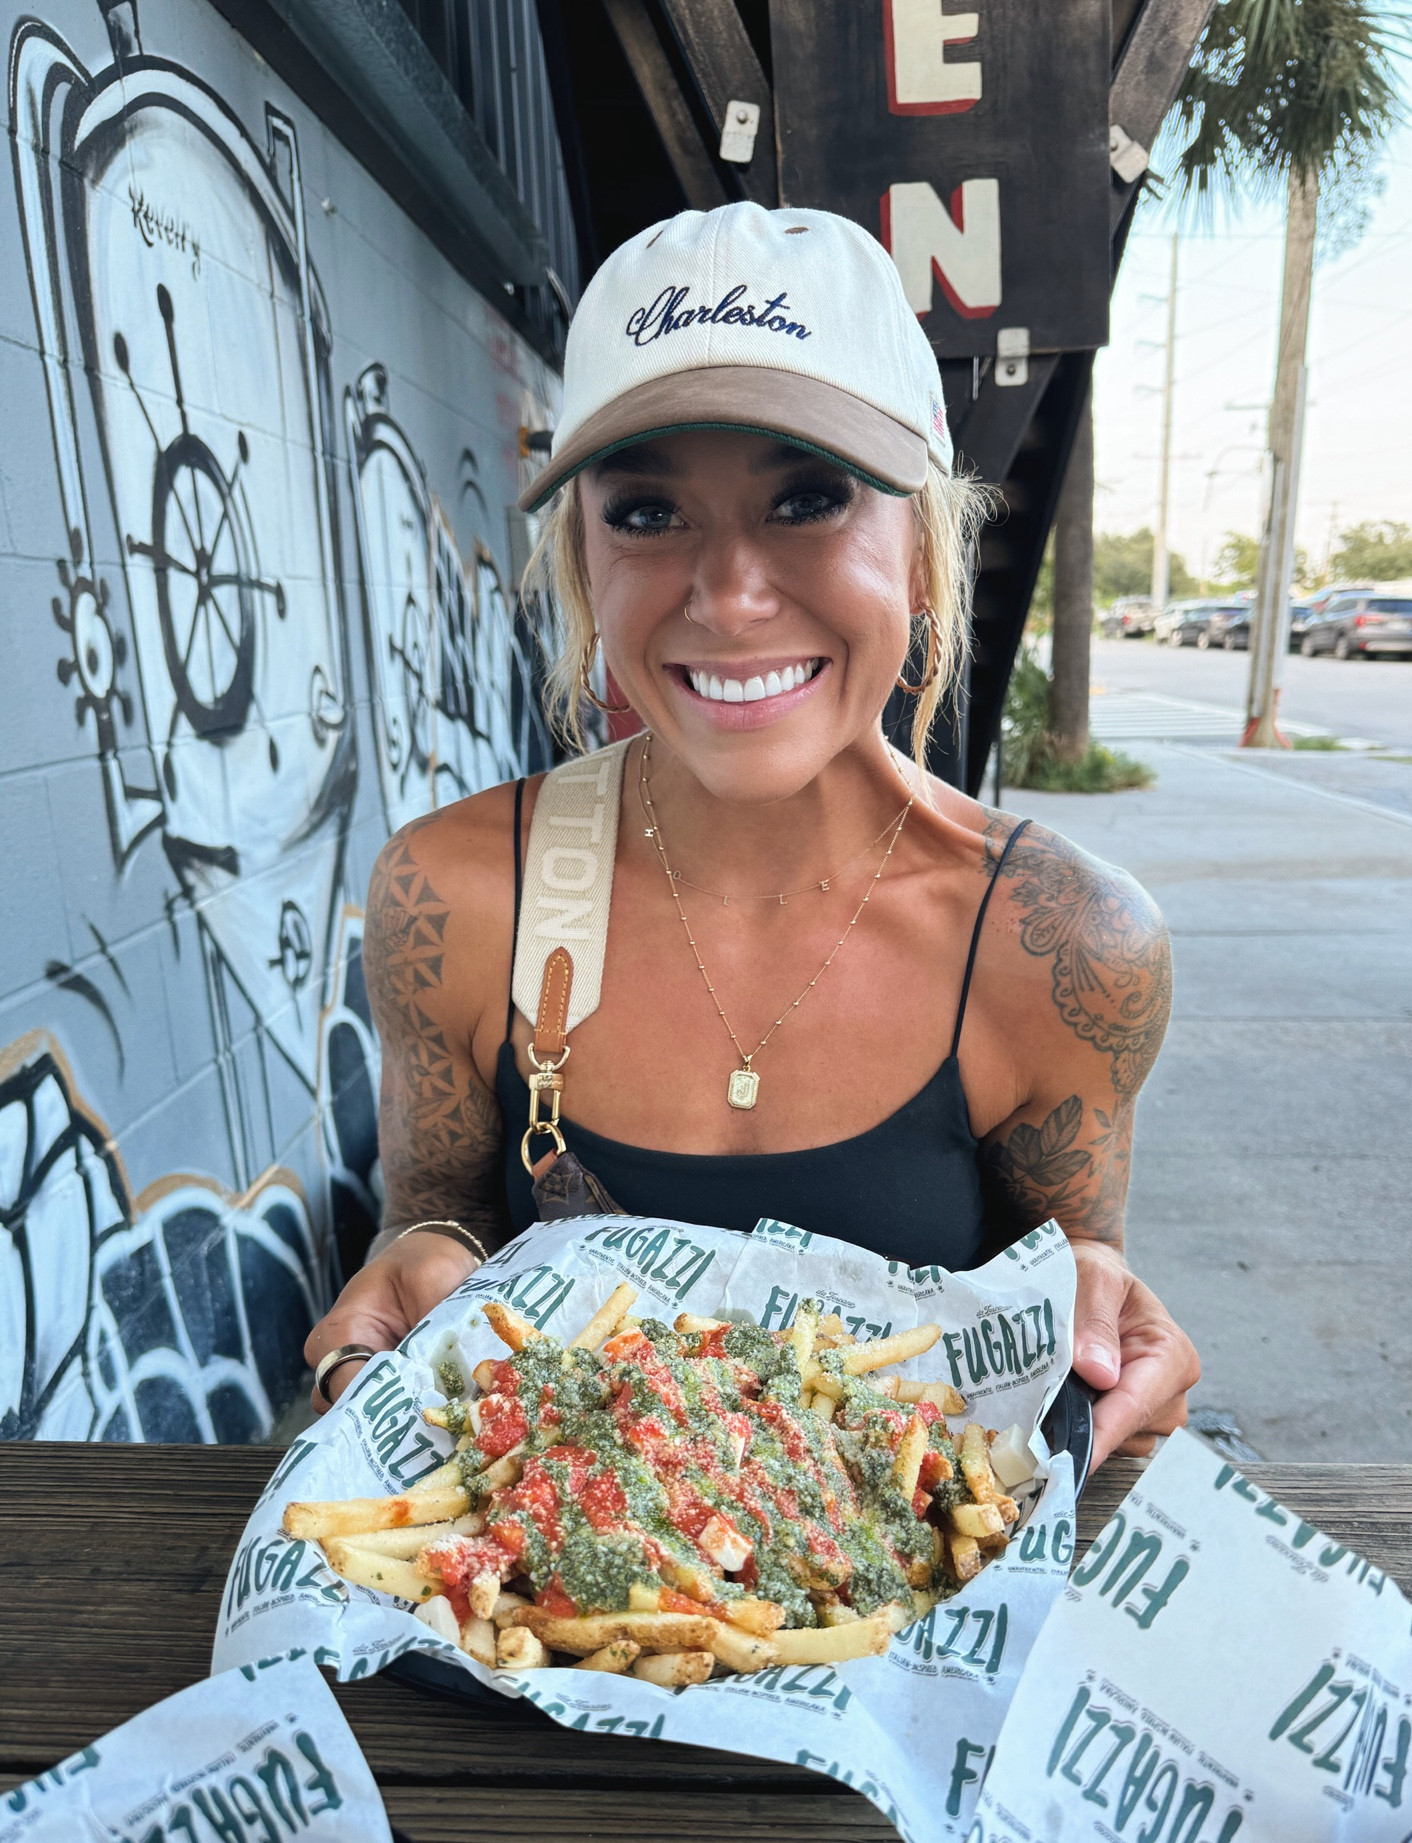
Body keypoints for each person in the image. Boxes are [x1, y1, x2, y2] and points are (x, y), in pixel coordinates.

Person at [307, 202, 1198, 1466]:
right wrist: (415, 1261)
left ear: (925, 549)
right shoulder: (454, 898)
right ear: (584, 561)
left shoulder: (1064, 942)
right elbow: (436, 1209)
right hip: (560, 1563)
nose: (728, 598)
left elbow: (1069, 1275)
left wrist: (1101, 1302)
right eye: (647, 513)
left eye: (808, 498)